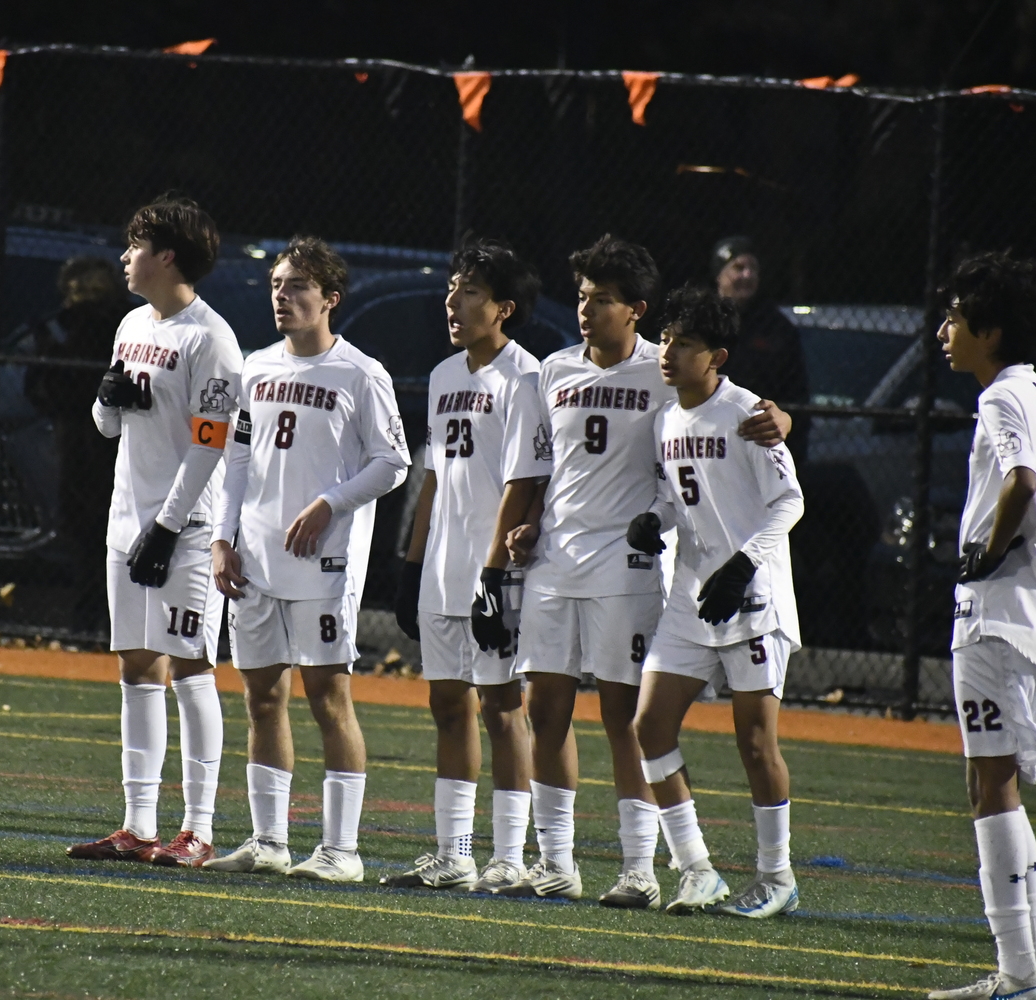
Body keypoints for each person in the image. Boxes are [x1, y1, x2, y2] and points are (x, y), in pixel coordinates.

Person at [497, 237, 792, 904]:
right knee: (544, 709)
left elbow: (731, 407)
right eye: (581, 296)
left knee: (622, 715)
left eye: (601, 299)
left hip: (629, 565)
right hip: (555, 562)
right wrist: (530, 525)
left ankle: (639, 867)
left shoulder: (665, 368)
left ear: (636, 309)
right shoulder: (552, 371)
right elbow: (544, 470)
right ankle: (556, 861)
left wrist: (780, 416)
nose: (586, 309)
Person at [206, 236, 410, 882]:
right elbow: (238, 459)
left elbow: (393, 462)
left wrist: (329, 503)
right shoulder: (256, 367)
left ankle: (342, 851)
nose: (282, 296)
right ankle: (269, 841)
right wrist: (222, 537)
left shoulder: (360, 372)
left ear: (330, 299)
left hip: (325, 562)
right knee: (262, 697)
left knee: (328, 697)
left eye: (297, 286)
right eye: (276, 284)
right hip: (255, 559)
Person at [922, 253, 1036, 1000]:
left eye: (955, 318)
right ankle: (1033, 975)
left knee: (991, 788)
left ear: (989, 330)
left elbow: (1021, 481)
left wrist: (991, 553)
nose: (943, 331)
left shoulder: (1001, 397)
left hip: (1001, 619)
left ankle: (1020, 977)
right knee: (991, 782)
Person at [67, 196, 241, 868]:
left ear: (167, 256)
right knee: (137, 667)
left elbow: (210, 442)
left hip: (185, 529)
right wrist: (106, 399)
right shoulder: (132, 323)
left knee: (191, 666)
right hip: (127, 520)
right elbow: (107, 425)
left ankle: (197, 828)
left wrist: (168, 526)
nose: (124, 256)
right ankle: (138, 826)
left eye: (136, 246)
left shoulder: (210, 338)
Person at [627, 285, 804, 918]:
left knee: (755, 742)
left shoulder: (748, 413)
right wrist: (654, 519)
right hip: (691, 594)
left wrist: (743, 565)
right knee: (649, 726)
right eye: (666, 339)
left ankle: (777, 877)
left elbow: (790, 501)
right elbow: (677, 497)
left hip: (751, 596)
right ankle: (697, 869)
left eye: (685, 344)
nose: (668, 352)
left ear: (717, 356)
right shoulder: (666, 419)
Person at [387, 239, 540, 893]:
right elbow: (433, 477)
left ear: (503, 308)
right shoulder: (446, 375)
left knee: (502, 707)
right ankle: (454, 854)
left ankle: (509, 856)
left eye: (470, 291)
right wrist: (410, 562)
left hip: (494, 571)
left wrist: (495, 574)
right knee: (448, 705)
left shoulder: (525, 378)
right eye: (452, 288)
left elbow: (524, 482)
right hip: (442, 569)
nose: (453, 301)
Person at [19, 256, 128, 638]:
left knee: (106, 533)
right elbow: (42, 389)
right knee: (86, 533)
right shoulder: (63, 330)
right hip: (81, 442)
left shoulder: (121, 328)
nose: (85, 301)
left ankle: (103, 623)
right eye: (79, 292)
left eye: (94, 291)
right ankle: (89, 622)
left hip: (111, 444)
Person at [711, 236, 810, 465]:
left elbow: (797, 393)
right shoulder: (701, 323)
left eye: (753, 269)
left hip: (760, 447)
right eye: (738, 268)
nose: (747, 275)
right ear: (719, 274)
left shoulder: (777, 328)